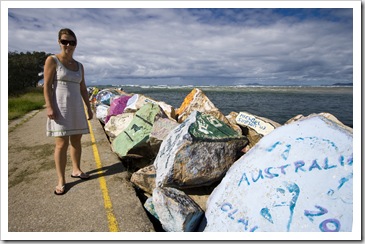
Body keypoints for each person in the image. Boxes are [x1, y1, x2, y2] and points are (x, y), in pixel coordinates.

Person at [43, 28, 93, 195]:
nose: (68, 45)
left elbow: (83, 88)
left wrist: (89, 107)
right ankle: (61, 179)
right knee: (61, 144)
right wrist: (49, 106)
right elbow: (47, 86)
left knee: (77, 141)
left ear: (75, 44)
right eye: (65, 41)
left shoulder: (79, 65)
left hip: (76, 107)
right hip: (60, 107)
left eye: (72, 42)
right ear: (59, 42)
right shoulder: (52, 60)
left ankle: (76, 170)